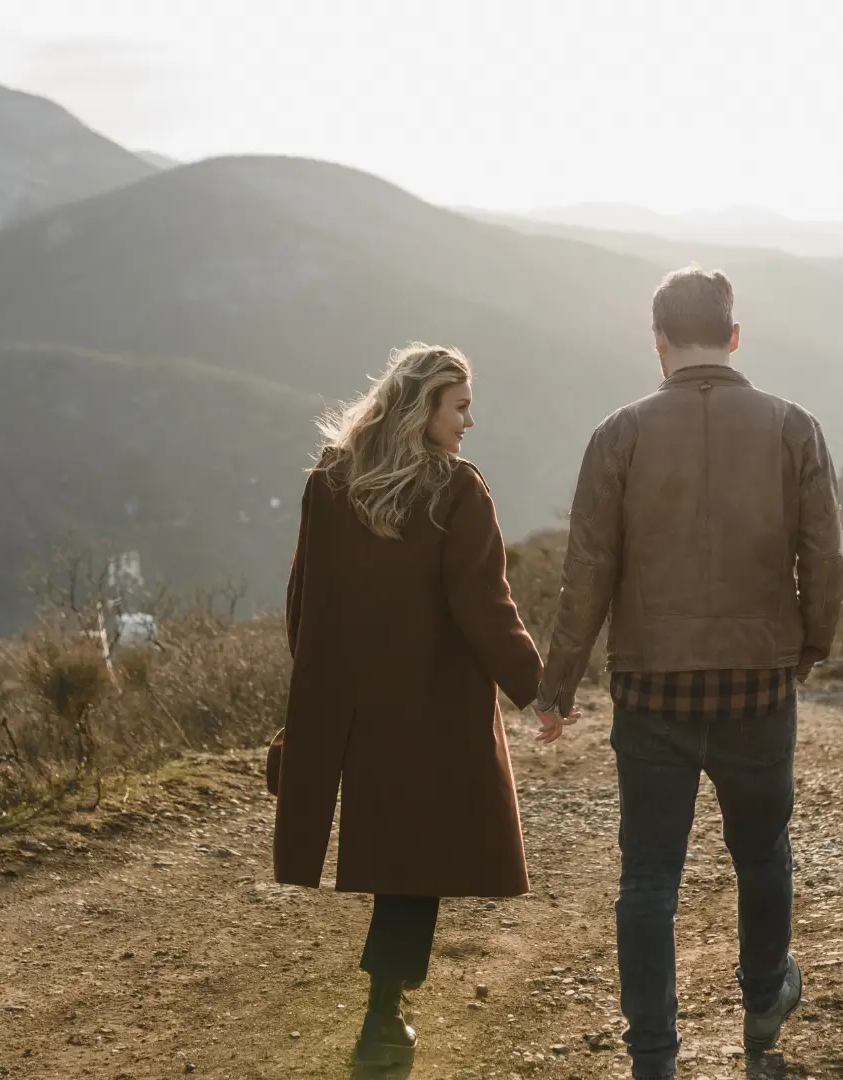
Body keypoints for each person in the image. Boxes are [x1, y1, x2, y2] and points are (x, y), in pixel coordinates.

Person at [534, 268, 843, 1078]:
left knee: (648, 876)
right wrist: (809, 645)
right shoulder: (793, 427)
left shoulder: (620, 434)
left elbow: (588, 574)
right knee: (762, 851)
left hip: (650, 689)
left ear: (659, 341)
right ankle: (761, 1013)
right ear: (734, 336)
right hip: (759, 682)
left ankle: (653, 1059)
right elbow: (827, 559)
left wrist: (558, 685)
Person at [273, 343, 544, 1068]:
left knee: (399, 861)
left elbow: (305, 602)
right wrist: (537, 687)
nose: (469, 421)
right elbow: (485, 606)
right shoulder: (457, 490)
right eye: (459, 406)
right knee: (411, 866)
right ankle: (382, 1016)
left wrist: (317, 691)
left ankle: (385, 1017)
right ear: (423, 407)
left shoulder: (329, 482)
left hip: (354, 703)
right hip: (431, 710)